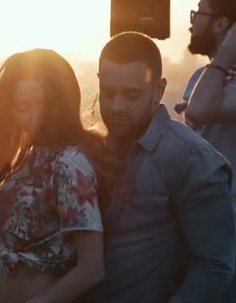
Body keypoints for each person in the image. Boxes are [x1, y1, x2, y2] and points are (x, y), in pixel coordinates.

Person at [84, 32, 236, 303]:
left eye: (132, 95)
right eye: (108, 93)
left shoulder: (191, 159)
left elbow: (217, 266)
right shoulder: (91, 152)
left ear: (159, 90)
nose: (117, 106)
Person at [0, 49, 106, 303]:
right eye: (22, 107)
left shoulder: (69, 163)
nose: (34, 117)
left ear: (61, 102)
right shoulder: (26, 159)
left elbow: (92, 268)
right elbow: (21, 248)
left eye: (42, 104)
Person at [180, 0, 236, 167]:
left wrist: (227, 50)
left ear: (221, 24)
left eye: (198, 14)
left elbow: (197, 111)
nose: (191, 24)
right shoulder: (201, 75)